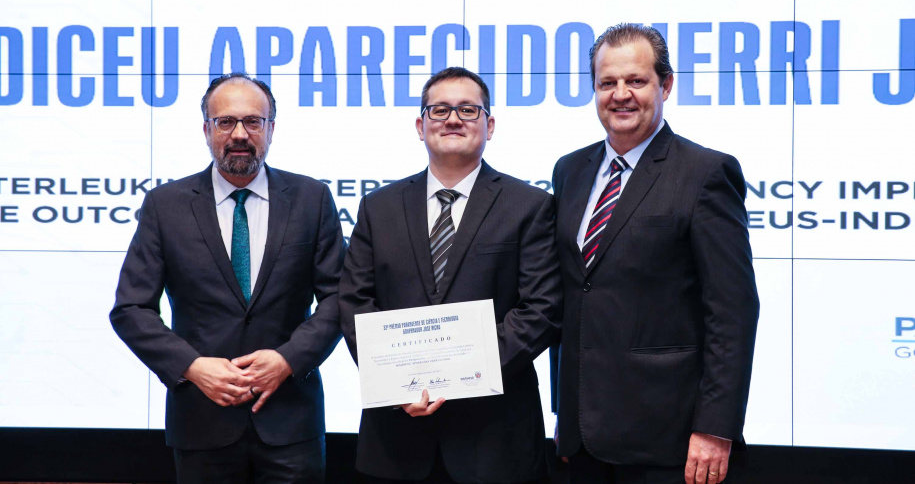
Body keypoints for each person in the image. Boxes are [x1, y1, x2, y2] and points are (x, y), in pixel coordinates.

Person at [110, 73, 345, 483]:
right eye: (225, 122)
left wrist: (289, 359)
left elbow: (339, 297)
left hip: (291, 422)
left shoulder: (311, 199)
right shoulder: (166, 206)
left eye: (253, 122)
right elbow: (131, 309)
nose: (240, 134)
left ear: (271, 128)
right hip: (201, 421)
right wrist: (193, 366)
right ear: (206, 130)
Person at [551, 24, 760, 484]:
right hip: (582, 437)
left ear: (665, 84)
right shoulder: (570, 170)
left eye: (636, 81)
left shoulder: (706, 172)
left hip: (671, 442)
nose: (620, 95)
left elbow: (732, 311)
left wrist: (716, 427)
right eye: (607, 83)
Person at [339, 67, 562, 484]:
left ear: (490, 125)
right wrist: (397, 384)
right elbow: (354, 303)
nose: (453, 119)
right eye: (439, 110)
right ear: (420, 125)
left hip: (495, 442)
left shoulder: (529, 206)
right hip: (396, 440)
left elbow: (541, 310)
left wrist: (456, 375)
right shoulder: (378, 208)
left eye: (468, 110)